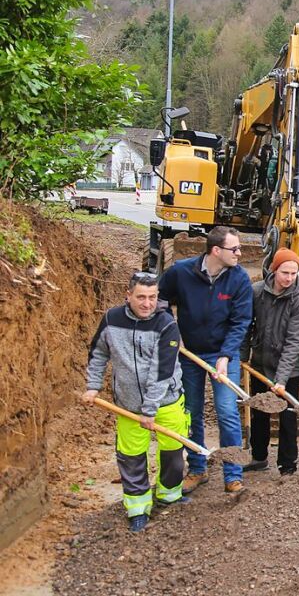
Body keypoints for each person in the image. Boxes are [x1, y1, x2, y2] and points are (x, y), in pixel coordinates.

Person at [83, 272, 188, 532]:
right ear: (128, 296)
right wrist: (93, 386)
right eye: (141, 297)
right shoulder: (111, 320)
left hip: (166, 402)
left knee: (173, 453)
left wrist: (150, 410)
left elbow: (162, 370)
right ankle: (138, 508)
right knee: (131, 456)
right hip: (128, 406)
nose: (147, 303)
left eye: (152, 297)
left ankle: (169, 495)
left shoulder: (166, 324)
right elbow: (97, 354)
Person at [159, 226, 252, 494]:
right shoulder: (181, 272)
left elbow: (241, 321)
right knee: (192, 412)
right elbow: (161, 301)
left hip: (224, 353)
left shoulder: (239, 279)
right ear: (216, 250)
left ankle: (232, 474)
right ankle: (198, 469)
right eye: (234, 249)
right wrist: (174, 334)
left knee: (227, 412)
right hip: (190, 354)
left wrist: (225, 356)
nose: (239, 253)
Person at [241, 248, 299, 476]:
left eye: (294, 273)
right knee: (260, 411)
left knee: (287, 417)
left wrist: (280, 380)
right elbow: (246, 327)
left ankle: (288, 465)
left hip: (288, 370)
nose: (289, 278)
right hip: (261, 362)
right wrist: (243, 357)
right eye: (285, 272)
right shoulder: (257, 292)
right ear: (274, 270)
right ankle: (259, 457)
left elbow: (295, 342)